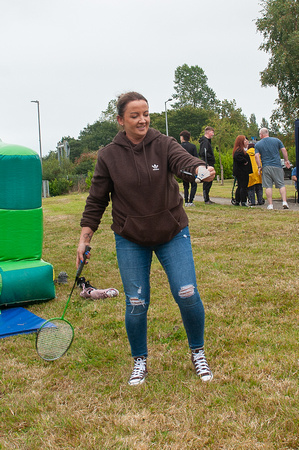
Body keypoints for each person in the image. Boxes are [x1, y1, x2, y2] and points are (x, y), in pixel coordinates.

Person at [76, 92, 215, 386]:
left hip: (172, 232)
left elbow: (183, 161)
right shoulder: (108, 156)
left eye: (146, 114)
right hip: (131, 238)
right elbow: (96, 200)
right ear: (120, 120)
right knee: (136, 302)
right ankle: (140, 360)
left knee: (187, 292)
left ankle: (198, 352)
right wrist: (84, 237)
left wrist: (200, 169)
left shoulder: (163, 144)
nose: (143, 120)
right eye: (135, 115)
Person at [255, 128, 291, 210]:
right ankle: (284, 202)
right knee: (281, 184)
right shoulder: (277, 141)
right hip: (277, 165)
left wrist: (259, 166)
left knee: (268, 186)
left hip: (266, 166)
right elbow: (284, 150)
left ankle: (270, 205)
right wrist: (286, 160)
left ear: (261, 134)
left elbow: (256, 156)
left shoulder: (258, 144)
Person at [179, 130, 198, 207]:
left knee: (185, 185)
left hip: (184, 168)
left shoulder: (179, 146)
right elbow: (196, 157)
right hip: (192, 168)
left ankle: (186, 201)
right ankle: (191, 200)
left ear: (182, 137)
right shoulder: (193, 147)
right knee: (194, 185)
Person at [232, 135, 252, 206]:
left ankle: (238, 200)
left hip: (240, 171)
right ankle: (243, 201)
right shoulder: (239, 150)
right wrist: (244, 161)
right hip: (242, 172)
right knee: (243, 187)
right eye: (244, 140)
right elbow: (237, 157)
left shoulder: (239, 150)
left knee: (240, 186)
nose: (246, 142)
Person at [198, 126, 215, 204]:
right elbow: (203, 153)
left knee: (209, 181)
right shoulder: (205, 142)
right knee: (207, 181)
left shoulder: (207, 141)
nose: (213, 134)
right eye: (212, 132)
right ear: (208, 132)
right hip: (207, 163)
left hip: (208, 162)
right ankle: (206, 199)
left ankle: (207, 198)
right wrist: (209, 158)